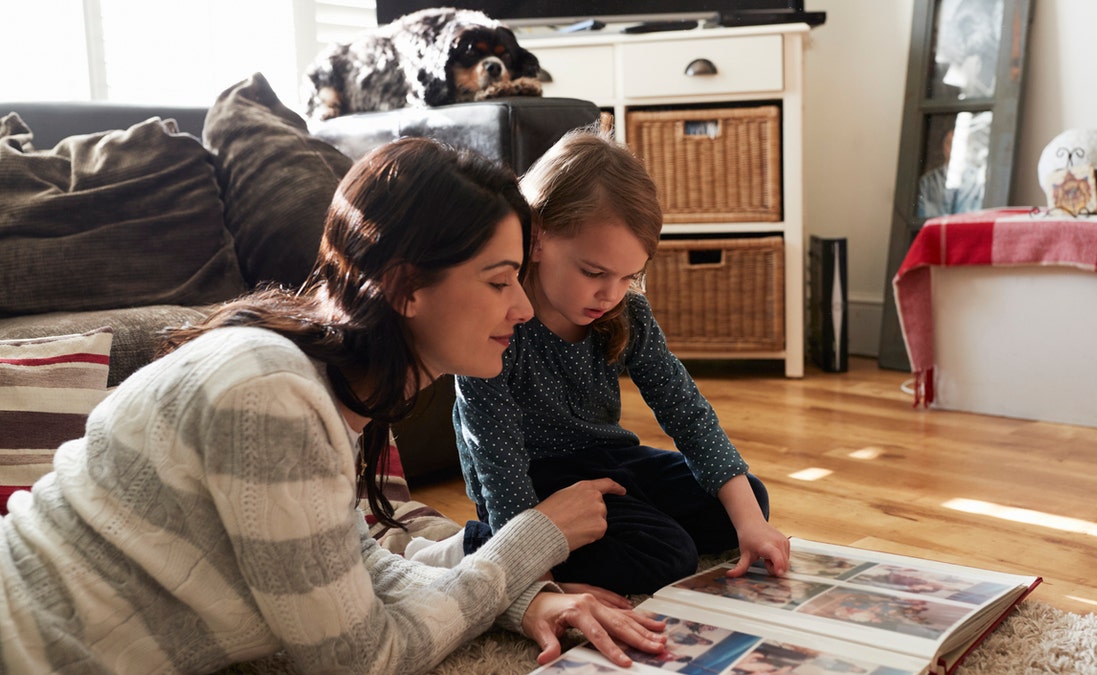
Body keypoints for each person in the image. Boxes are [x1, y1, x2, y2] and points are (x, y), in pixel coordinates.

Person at [0, 137, 667, 674]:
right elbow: (359, 655)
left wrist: (520, 599)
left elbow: (358, 569)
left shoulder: (311, 388)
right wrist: (530, 541)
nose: (523, 308)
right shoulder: (269, 396)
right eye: (500, 282)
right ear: (407, 287)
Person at [450, 128, 791, 597]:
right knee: (668, 555)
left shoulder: (624, 313)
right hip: (531, 481)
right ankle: (479, 546)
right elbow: (496, 459)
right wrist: (532, 571)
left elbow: (686, 412)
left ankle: (635, 528)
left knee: (745, 500)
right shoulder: (497, 323)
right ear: (538, 236)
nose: (610, 294)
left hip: (609, 459)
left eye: (629, 276)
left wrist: (750, 523)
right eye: (594, 273)